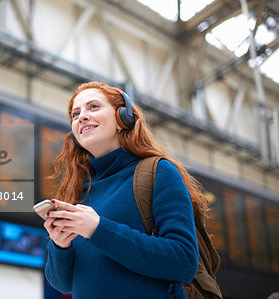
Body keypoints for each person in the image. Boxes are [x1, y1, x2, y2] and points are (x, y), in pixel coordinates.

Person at [43, 82, 209, 299]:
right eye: (75, 114)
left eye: (93, 107)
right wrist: (60, 244)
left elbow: (184, 262)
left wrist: (98, 229)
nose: (82, 116)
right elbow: (63, 284)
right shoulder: (81, 193)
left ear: (123, 119)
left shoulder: (158, 171)